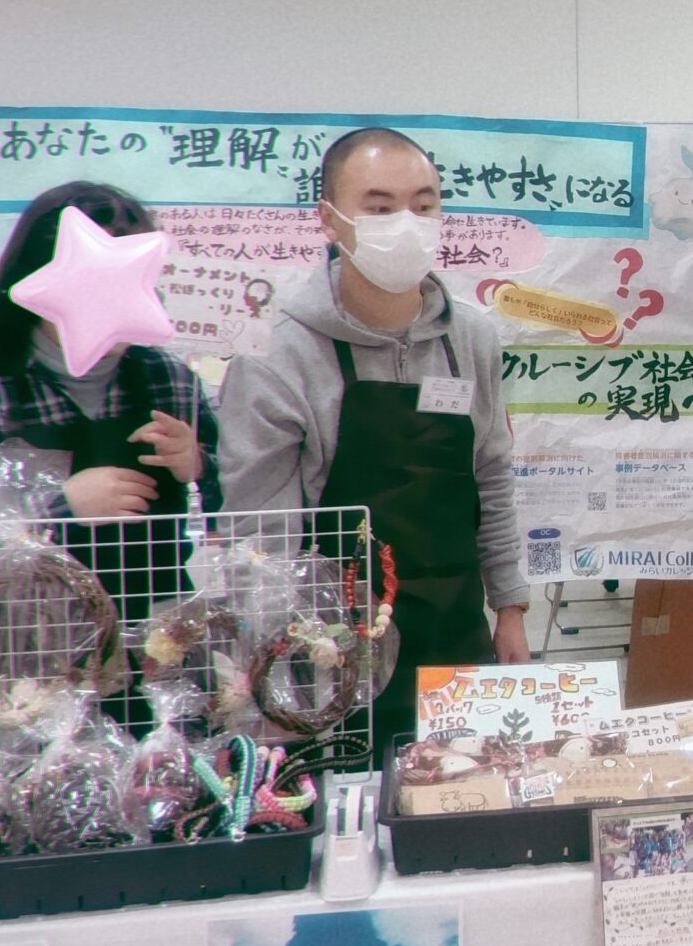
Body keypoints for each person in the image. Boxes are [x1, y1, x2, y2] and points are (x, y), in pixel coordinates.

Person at [219, 127, 530, 749]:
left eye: (424, 205)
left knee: (460, 790)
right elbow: (260, 540)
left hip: (457, 639)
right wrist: (275, 675)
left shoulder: (472, 340)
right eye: (380, 208)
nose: (406, 225)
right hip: (329, 658)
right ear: (329, 220)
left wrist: (511, 609)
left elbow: (491, 478)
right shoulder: (276, 355)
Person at [0, 183, 221, 719]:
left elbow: (242, 521)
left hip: (161, 670)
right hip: (25, 683)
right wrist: (56, 512)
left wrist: (200, 468)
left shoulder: (170, 382)